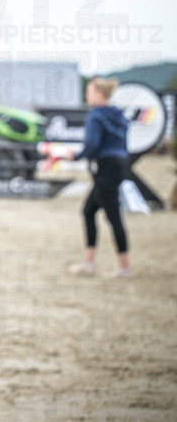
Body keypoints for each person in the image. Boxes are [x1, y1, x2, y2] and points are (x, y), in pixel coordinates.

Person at [60, 76, 131, 278]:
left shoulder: (96, 115)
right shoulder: (118, 114)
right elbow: (123, 144)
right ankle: (89, 262)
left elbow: (92, 145)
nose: (86, 95)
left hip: (105, 169)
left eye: (89, 91)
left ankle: (124, 267)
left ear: (99, 93)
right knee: (89, 211)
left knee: (113, 216)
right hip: (119, 166)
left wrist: (76, 156)